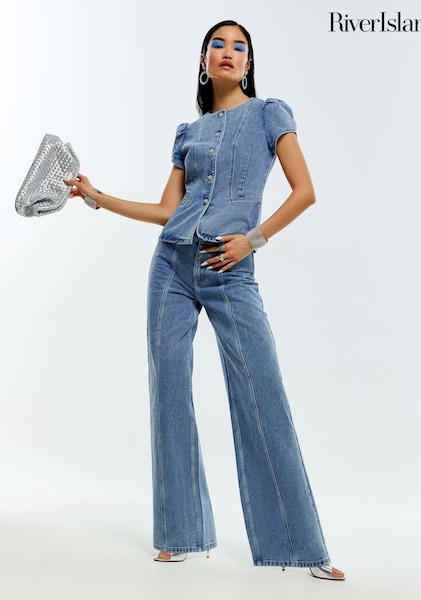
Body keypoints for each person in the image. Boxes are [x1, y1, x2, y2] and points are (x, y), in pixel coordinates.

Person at [65, 20, 345, 581]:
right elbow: (167, 212)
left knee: (263, 396)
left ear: (248, 64)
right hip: (171, 266)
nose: (228, 52)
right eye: (218, 44)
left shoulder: (269, 114)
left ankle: (304, 548)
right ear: (203, 60)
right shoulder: (187, 133)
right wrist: (96, 197)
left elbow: (306, 192)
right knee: (168, 393)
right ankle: (178, 534)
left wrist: (252, 240)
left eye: (239, 47)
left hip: (231, 270)